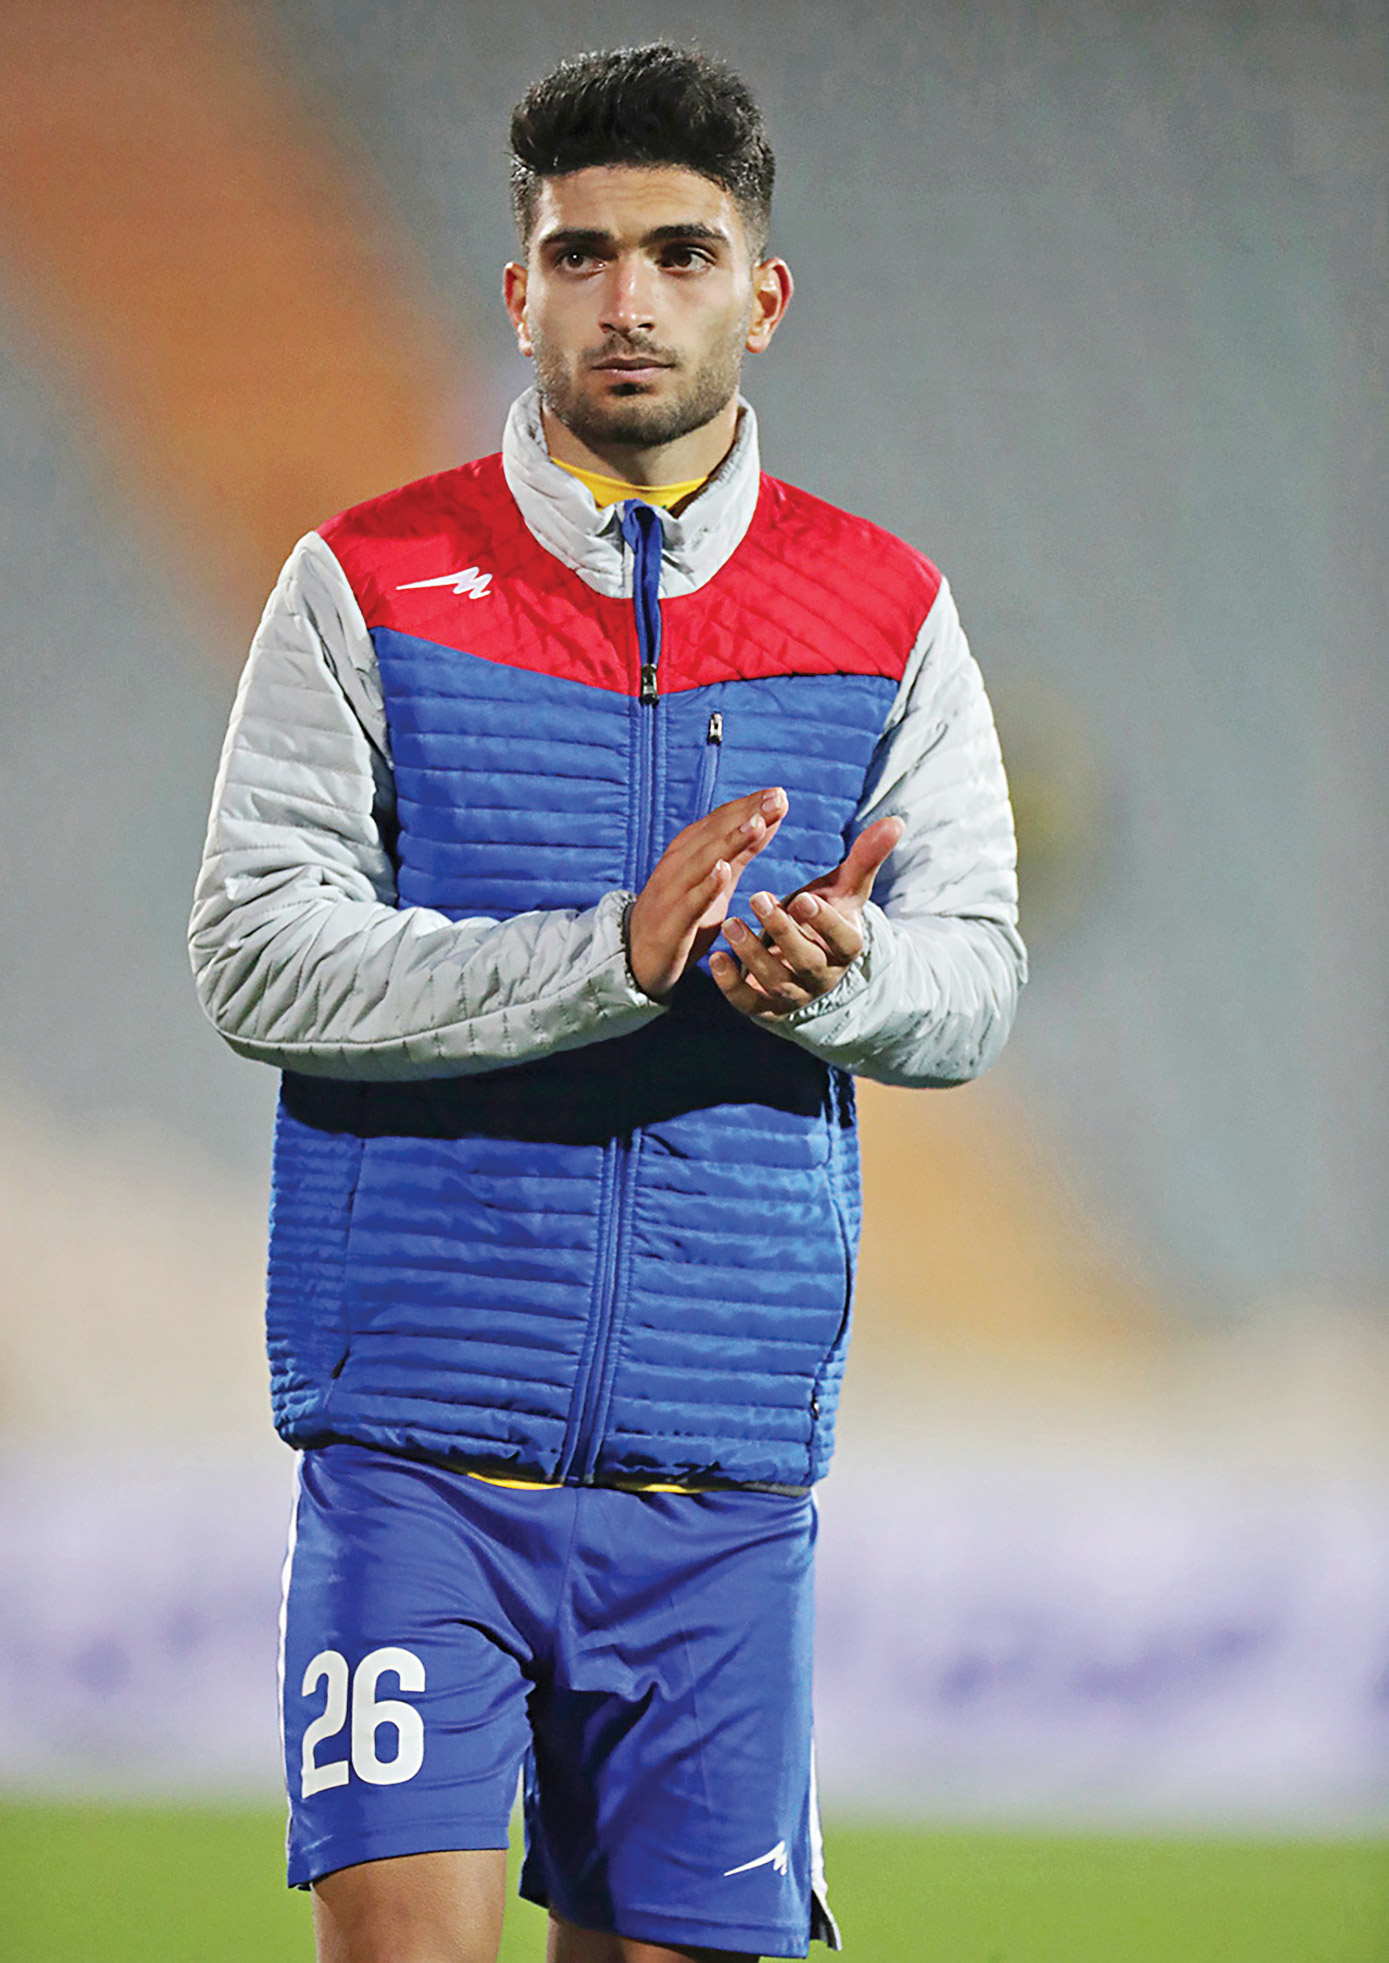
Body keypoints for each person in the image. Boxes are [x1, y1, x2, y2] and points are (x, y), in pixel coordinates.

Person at [190, 41, 1024, 1963]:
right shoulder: (366, 582)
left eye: (677, 254)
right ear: (520, 289)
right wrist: (606, 961)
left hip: (713, 1483)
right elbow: (252, 950)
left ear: (762, 294)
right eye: (581, 256)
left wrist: (845, 981)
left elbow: (973, 977)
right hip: (421, 1461)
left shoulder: (883, 606)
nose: (627, 299)